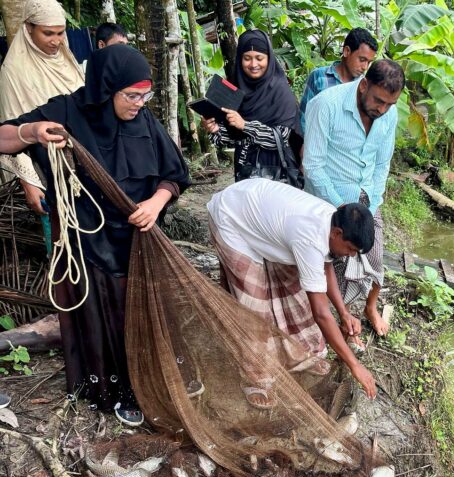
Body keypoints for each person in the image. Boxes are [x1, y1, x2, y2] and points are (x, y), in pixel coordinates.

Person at [0, 44, 191, 426]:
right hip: (86, 239)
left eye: (145, 94)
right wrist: (31, 131)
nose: (139, 103)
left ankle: (157, 378)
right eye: (132, 95)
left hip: (139, 238)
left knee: (147, 312)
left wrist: (155, 202)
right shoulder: (68, 111)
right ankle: (115, 390)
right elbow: (4, 138)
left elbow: (174, 174)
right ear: (107, 89)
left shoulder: (145, 121)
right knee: (104, 315)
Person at [207, 178, 377, 404]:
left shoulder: (331, 220)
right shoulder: (310, 237)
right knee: (254, 306)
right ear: (337, 233)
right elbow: (321, 314)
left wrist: (344, 313)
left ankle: (298, 354)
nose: (351, 255)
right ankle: (256, 378)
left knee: (289, 286)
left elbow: (326, 268)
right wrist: (355, 365)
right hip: (230, 217)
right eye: (350, 249)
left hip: (259, 214)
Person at [303, 59, 404, 341]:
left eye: (389, 105)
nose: (382, 109)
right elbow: (312, 165)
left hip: (367, 199)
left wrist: (371, 205)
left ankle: (369, 309)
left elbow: (382, 164)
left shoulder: (388, 115)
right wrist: (341, 208)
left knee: (373, 257)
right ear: (363, 86)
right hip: (328, 201)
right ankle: (339, 323)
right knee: (331, 266)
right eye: (378, 101)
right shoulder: (327, 105)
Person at [0, 0, 84, 213]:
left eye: (60, 33)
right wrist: (28, 181)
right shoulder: (14, 71)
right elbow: (11, 126)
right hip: (43, 168)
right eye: (48, 34)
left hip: (80, 161)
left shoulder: (67, 60)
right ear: (28, 29)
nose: (56, 41)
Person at [201, 29, 299, 183]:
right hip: (244, 169)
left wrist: (245, 125)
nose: (254, 64)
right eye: (247, 58)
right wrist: (215, 130)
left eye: (259, 58)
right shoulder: (235, 86)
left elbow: (282, 137)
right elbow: (236, 138)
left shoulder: (279, 89)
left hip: (274, 170)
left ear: (269, 58)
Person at [298, 27, 377, 134]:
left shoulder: (363, 86)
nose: (365, 67)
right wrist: (306, 144)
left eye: (369, 62)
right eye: (362, 60)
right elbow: (304, 116)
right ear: (346, 51)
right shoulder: (319, 77)